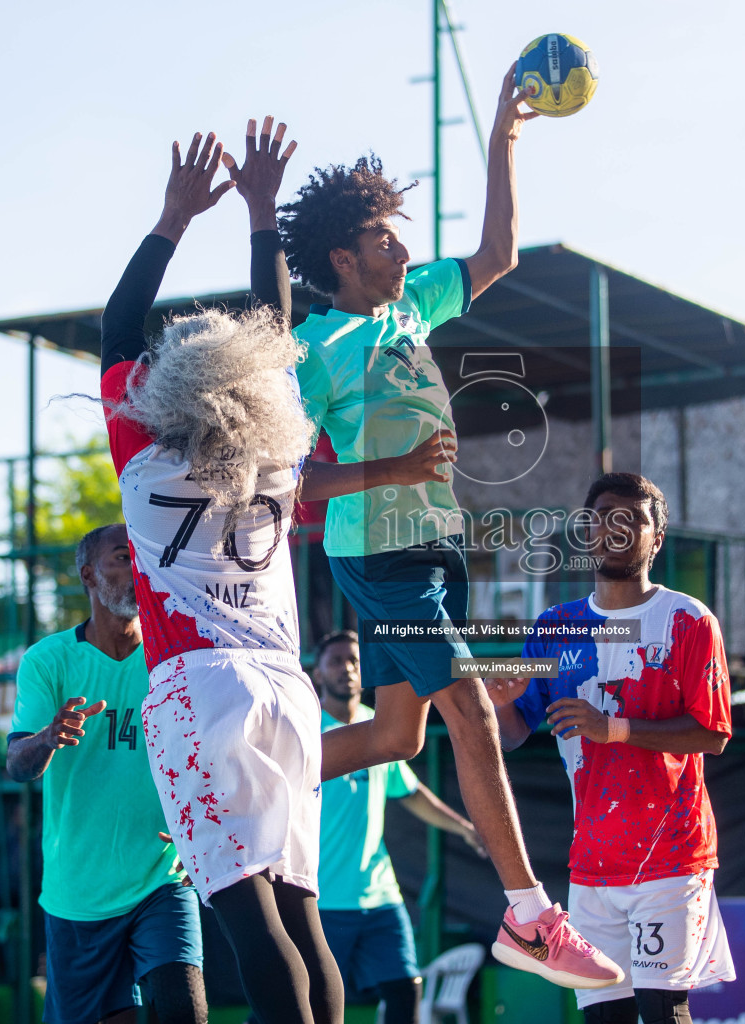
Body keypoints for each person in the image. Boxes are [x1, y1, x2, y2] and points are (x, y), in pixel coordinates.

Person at [256, 63, 620, 990]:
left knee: (394, 740)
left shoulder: (413, 308)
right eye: (384, 238)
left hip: (435, 548)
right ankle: (532, 918)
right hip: (378, 557)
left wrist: (503, 135)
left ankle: (240, 795)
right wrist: (400, 469)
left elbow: (498, 251)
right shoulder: (315, 350)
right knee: (470, 709)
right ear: (343, 256)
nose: (401, 250)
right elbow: (302, 484)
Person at [99, 119, 450, 1024]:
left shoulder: (143, 459)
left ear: (164, 389)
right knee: (305, 925)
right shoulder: (279, 454)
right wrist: (260, 208)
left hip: (198, 692)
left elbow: (116, 324)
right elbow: (276, 325)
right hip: (287, 697)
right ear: (254, 384)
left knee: (252, 936)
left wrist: (174, 217)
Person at [490, 474, 736, 1024]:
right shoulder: (555, 626)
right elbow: (516, 733)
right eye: (603, 516)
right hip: (591, 866)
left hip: (672, 856)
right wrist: (502, 704)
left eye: (633, 518)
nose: (616, 528)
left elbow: (713, 733)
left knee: (663, 1008)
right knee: (604, 1018)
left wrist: (616, 728)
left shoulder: (688, 620)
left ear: (658, 536)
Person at [6, 523, 206, 1024]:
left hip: (162, 876)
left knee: (184, 1008)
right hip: (79, 893)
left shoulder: (175, 655)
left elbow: (209, 757)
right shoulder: (48, 660)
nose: (138, 567)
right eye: (123, 557)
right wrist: (47, 738)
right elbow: (16, 764)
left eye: (142, 555)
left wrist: (204, 830)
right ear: (89, 575)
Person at [312, 630, 486, 1024]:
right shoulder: (305, 730)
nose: (348, 669)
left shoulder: (382, 725)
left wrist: (465, 828)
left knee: (405, 990)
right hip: (320, 901)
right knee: (310, 1004)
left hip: (380, 896)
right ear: (318, 674)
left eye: (354, 660)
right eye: (336, 661)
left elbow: (410, 792)